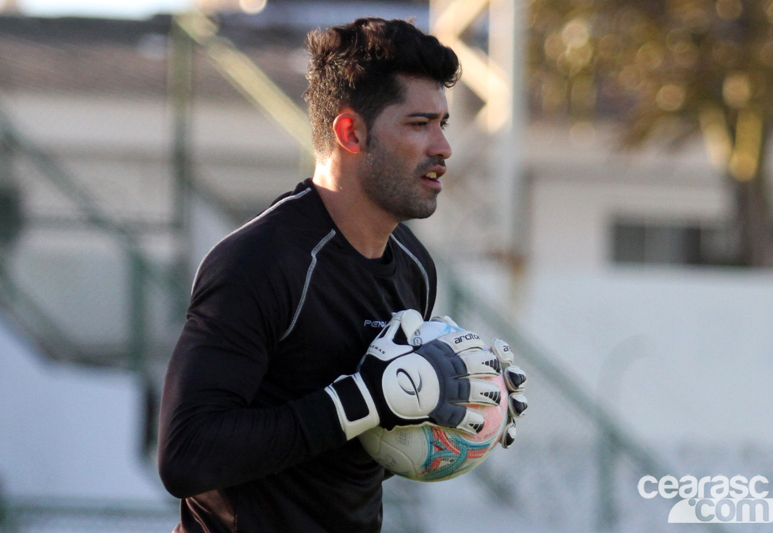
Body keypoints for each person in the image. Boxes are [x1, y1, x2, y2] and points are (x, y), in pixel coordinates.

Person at [158, 17, 527, 533]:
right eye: (420, 124)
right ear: (351, 132)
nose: (443, 147)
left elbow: (354, 457)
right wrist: (363, 400)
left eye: (443, 124)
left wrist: (455, 409)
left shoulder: (415, 268)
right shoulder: (258, 262)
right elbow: (186, 455)